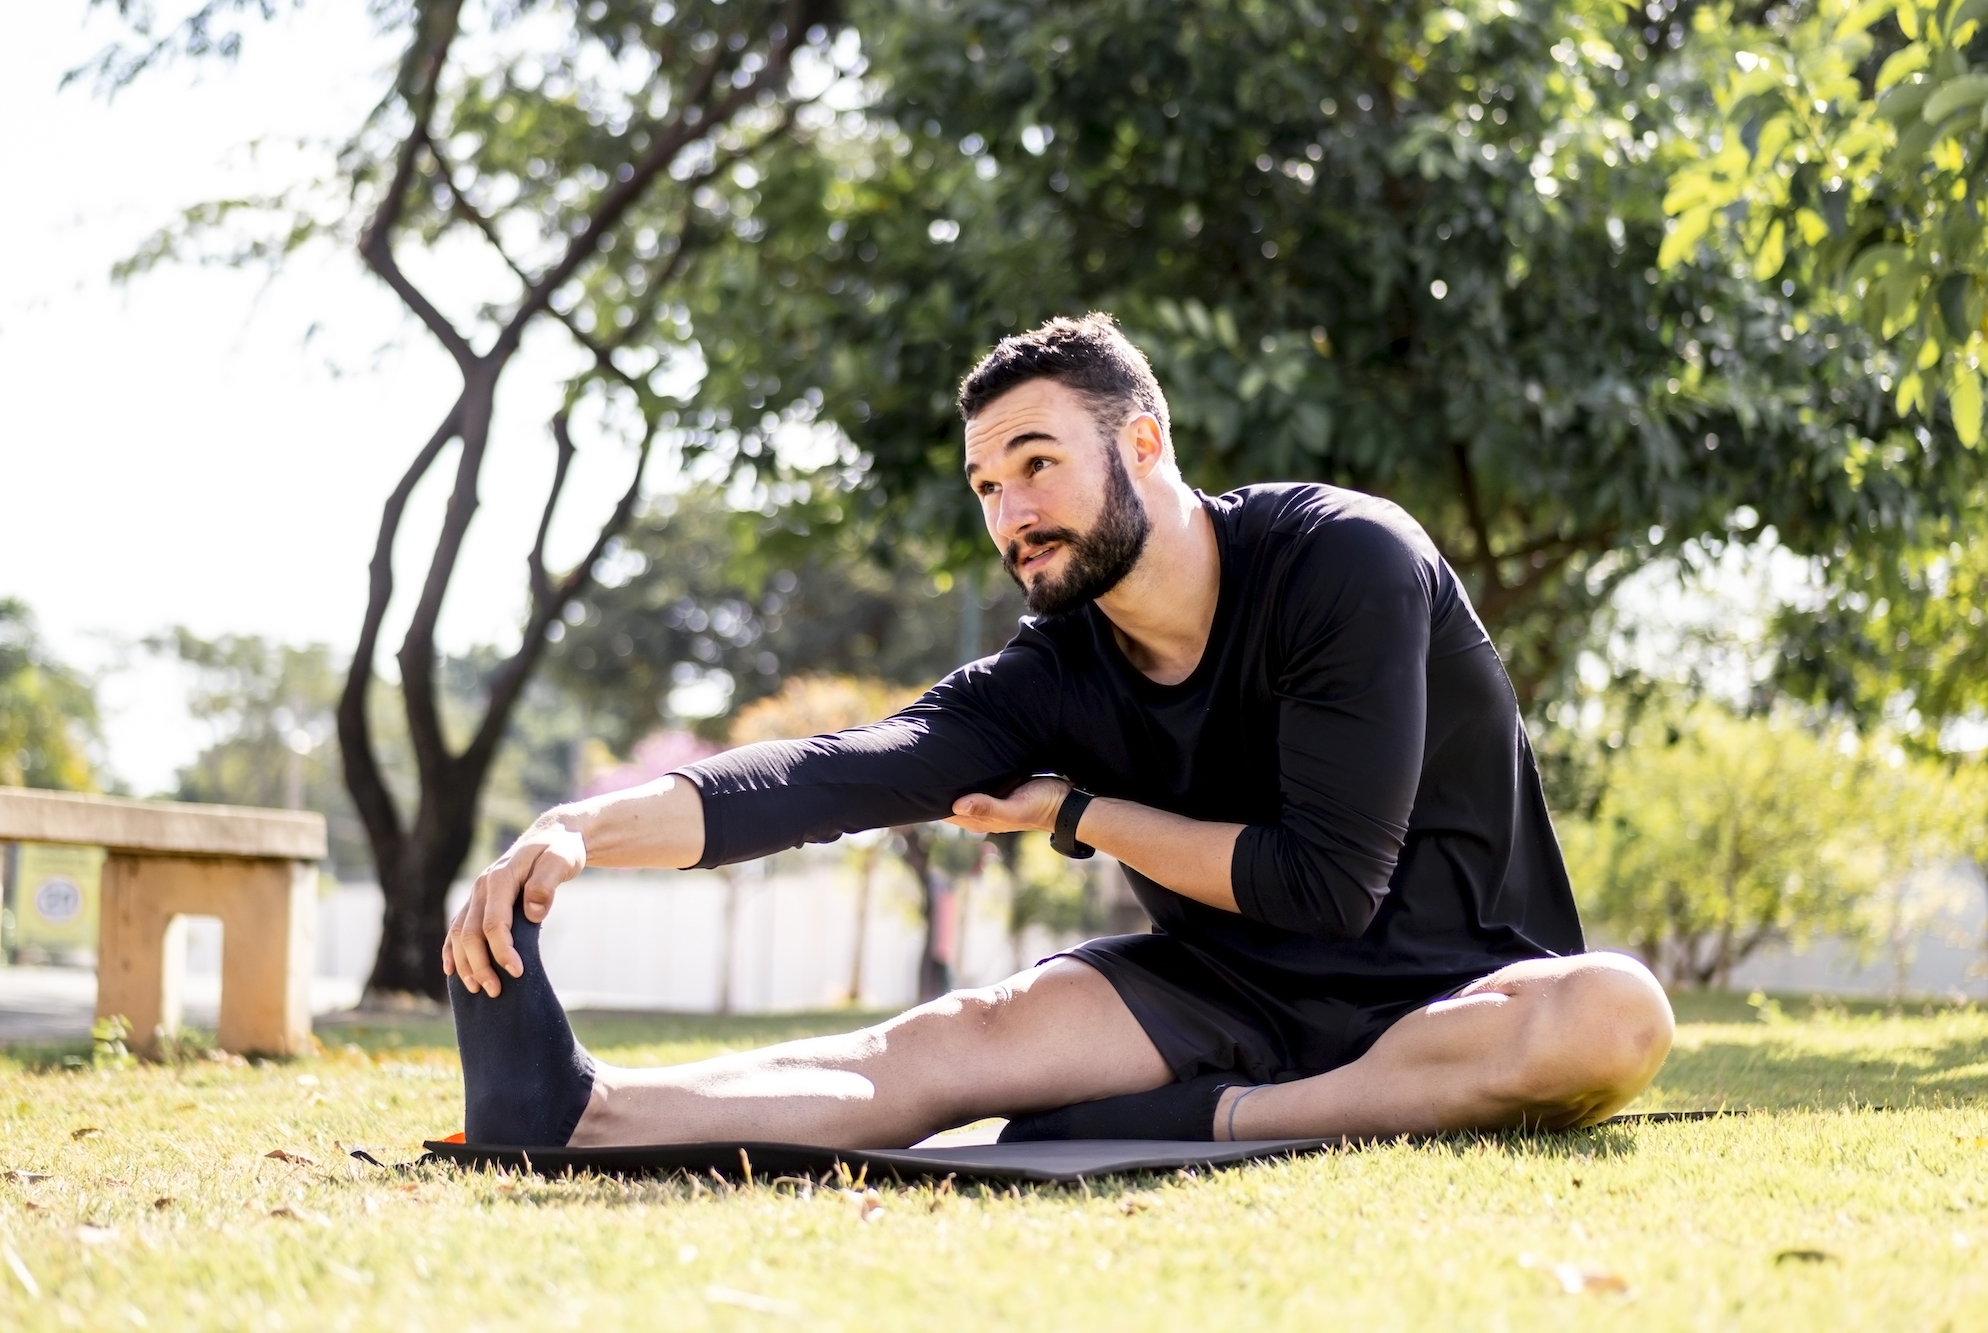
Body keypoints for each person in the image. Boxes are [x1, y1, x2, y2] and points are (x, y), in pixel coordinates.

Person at [442, 313, 1675, 1151]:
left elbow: (1325, 882)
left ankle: (1222, 1122)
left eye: (1035, 465)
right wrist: (578, 830)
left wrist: (1080, 814)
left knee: (1616, 1014)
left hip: (1454, 993)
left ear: (1143, 442)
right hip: (1221, 991)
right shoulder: (1051, 670)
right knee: (947, 1040)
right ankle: (585, 1114)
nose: (1009, 513)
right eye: (986, 487)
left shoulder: (1341, 560)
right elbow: (838, 771)